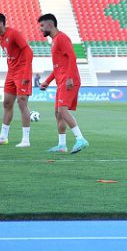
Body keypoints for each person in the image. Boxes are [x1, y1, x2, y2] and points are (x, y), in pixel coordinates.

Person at [38, 14, 89, 154]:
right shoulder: (55, 41)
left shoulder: (61, 38)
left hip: (68, 81)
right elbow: (58, 67)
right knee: (58, 113)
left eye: (42, 26)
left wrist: (70, 77)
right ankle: (62, 145)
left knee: (62, 110)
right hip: (62, 81)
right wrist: (47, 82)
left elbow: (72, 56)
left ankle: (80, 139)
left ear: (50, 25)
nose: (40, 29)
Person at [0, 13, 34, 148]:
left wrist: (26, 74)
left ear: (1, 23)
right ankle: (3, 137)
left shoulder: (14, 34)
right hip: (11, 73)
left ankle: (26, 140)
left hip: (22, 72)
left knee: (22, 102)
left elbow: (29, 52)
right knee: (7, 103)